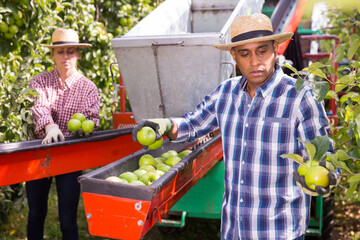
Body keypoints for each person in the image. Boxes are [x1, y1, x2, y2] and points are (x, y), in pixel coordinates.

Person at [132, 13, 339, 240]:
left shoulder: (300, 97)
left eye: (262, 50)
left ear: (275, 48)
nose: (255, 61)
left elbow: (323, 156)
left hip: (278, 232)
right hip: (233, 231)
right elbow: (192, 125)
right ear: (233, 56)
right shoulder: (226, 93)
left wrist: (327, 175)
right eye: (245, 53)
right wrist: (164, 125)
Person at [27, 28, 100, 240]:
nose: (65, 56)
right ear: (52, 55)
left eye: (70, 51)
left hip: (70, 155)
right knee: (35, 214)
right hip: (39, 153)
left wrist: (83, 128)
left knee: (68, 219)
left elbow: (92, 118)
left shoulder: (88, 88)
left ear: (78, 54)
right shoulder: (40, 81)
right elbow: (38, 105)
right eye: (60, 52)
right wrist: (49, 125)